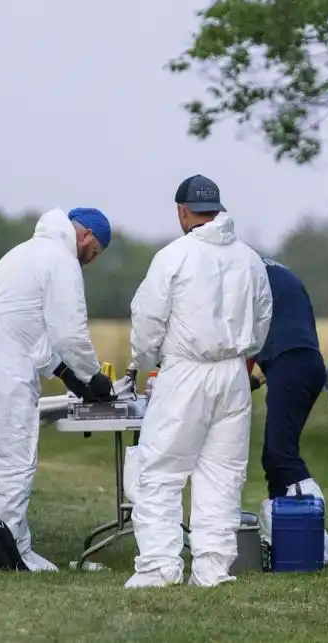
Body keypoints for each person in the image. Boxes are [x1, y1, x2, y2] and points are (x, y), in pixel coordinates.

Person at [124, 174, 273, 588]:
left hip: (185, 371)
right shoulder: (250, 258)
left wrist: (143, 362)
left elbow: (148, 318)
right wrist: (244, 355)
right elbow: (262, 320)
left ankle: (159, 565)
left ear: (182, 211)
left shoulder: (174, 256)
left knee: (160, 470)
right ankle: (211, 567)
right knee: (222, 473)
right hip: (233, 376)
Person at [0, 207, 117, 573]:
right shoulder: (62, 260)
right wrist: (93, 377)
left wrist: (67, 376)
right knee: (11, 464)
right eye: (96, 252)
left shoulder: (24, 253)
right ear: (88, 236)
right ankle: (6, 558)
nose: (92, 259)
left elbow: (28, 329)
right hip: (1, 367)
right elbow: (70, 332)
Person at [251, 258, 328, 564]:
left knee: (281, 454)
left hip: (290, 362)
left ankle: (318, 541)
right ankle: (286, 539)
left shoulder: (242, 272)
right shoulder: (274, 270)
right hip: (299, 361)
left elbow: (239, 339)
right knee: (275, 455)